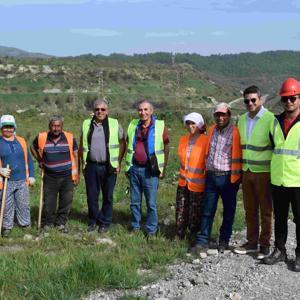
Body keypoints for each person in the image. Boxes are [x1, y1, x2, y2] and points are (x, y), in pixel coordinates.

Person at [194, 103, 242, 257]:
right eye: (217, 115)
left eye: (223, 114)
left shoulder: (236, 132)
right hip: (211, 177)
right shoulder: (212, 130)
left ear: (229, 115)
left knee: (228, 211)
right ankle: (202, 240)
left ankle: (224, 240)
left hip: (228, 178)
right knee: (207, 210)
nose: (220, 117)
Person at [263, 78, 300, 272]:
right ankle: (280, 250)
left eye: (293, 98)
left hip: (298, 181)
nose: (289, 102)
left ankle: (299, 254)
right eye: (285, 99)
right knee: (280, 216)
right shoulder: (275, 123)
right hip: (278, 180)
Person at [234, 86, 274, 259]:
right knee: (250, 209)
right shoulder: (241, 120)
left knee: (265, 210)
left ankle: (264, 245)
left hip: (264, 171)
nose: (250, 103)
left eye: (253, 100)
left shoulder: (270, 119)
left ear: (260, 99)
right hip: (246, 170)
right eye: (246, 101)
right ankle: (251, 243)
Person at [79, 99, 126, 233]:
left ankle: (105, 222)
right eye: (97, 109)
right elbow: (82, 144)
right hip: (91, 166)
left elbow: (123, 142)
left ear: (107, 111)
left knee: (108, 196)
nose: (100, 112)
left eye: (102, 109)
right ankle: (93, 220)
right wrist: (83, 163)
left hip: (109, 166)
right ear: (93, 111)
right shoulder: (86, 124)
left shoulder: (114, 123)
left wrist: (118, 161)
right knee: (92, 196)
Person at [125, 100, 169, 236]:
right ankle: (135, 226)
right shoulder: (133, 125)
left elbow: (166, 148)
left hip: (151, 171)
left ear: (151, 111)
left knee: (151, 204)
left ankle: (151, 231)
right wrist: (128, 167)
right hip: (134, 169)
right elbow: (128, 144)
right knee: (134, 202)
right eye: (140, 110)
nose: (142, 112)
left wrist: (163, 168)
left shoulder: (160, 126)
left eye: (145, 110)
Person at [31, 115, 78, 232]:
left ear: (62, 126)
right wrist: (40, 160)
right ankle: (47, 223)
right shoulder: (42, 137)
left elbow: (76, 156)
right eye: (53, 126)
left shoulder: (70, 138)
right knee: (49, 202)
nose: (55, 128)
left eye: (58, 126)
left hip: (67, 176)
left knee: (66, 201)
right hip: (50, 176)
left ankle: (61, 223)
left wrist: (77, 175)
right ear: (49, 126)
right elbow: (32, 147)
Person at [0, 115, 35, 237]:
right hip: (6, 181)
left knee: (23, 204)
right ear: (1, 128)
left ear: (14, 127)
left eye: (10, 127)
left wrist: (31, 175)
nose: (8, 129)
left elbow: (29, 159)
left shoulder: (21, 141)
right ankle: (7, 227)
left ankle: (25, 224)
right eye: (5, 127)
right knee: (6, 206)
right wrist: (0, 170)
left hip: (22, 180)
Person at [176, 112, 208, 240]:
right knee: (181, 209)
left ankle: (193, 235)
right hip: (183, 182)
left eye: (193, 123)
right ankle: (179, 234)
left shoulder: (205, 141)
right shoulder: (183, 140)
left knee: (195, 212)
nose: (190, 126)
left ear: (199, 125)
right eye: (188, 123)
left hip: (198, 184)